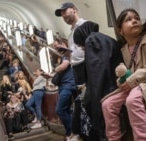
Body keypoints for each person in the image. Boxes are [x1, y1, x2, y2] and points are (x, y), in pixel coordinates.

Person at [101, 8, 146, 141]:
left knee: (133, 99)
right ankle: (114, 138)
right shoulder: (123, 50)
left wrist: (132, 80)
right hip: (133, 85)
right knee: (107, 104)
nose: (134, 21)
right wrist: (121, 82)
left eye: (136, 18)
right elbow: (124, 73)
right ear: (120, 30)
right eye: (128, 20)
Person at [73, 21, 123, 141]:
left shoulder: (92, 40)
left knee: (83, 103)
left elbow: (97, 74)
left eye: (80, 45)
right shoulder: (104, 38)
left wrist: (94, 99)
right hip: (116, 83)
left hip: (109, 88)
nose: (81, 48)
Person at [55, 2, 86, 141]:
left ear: (74, 9)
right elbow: (75, 54)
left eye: (64, 11)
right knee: (82, 105)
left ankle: (77, 133)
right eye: (61, 14)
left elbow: (90, 49)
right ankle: (78, 133)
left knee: (86, 103)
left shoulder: (85, 25)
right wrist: (68, 54)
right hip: (77, 72)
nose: (63, 15)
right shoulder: (70, 34)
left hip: (86, 69)